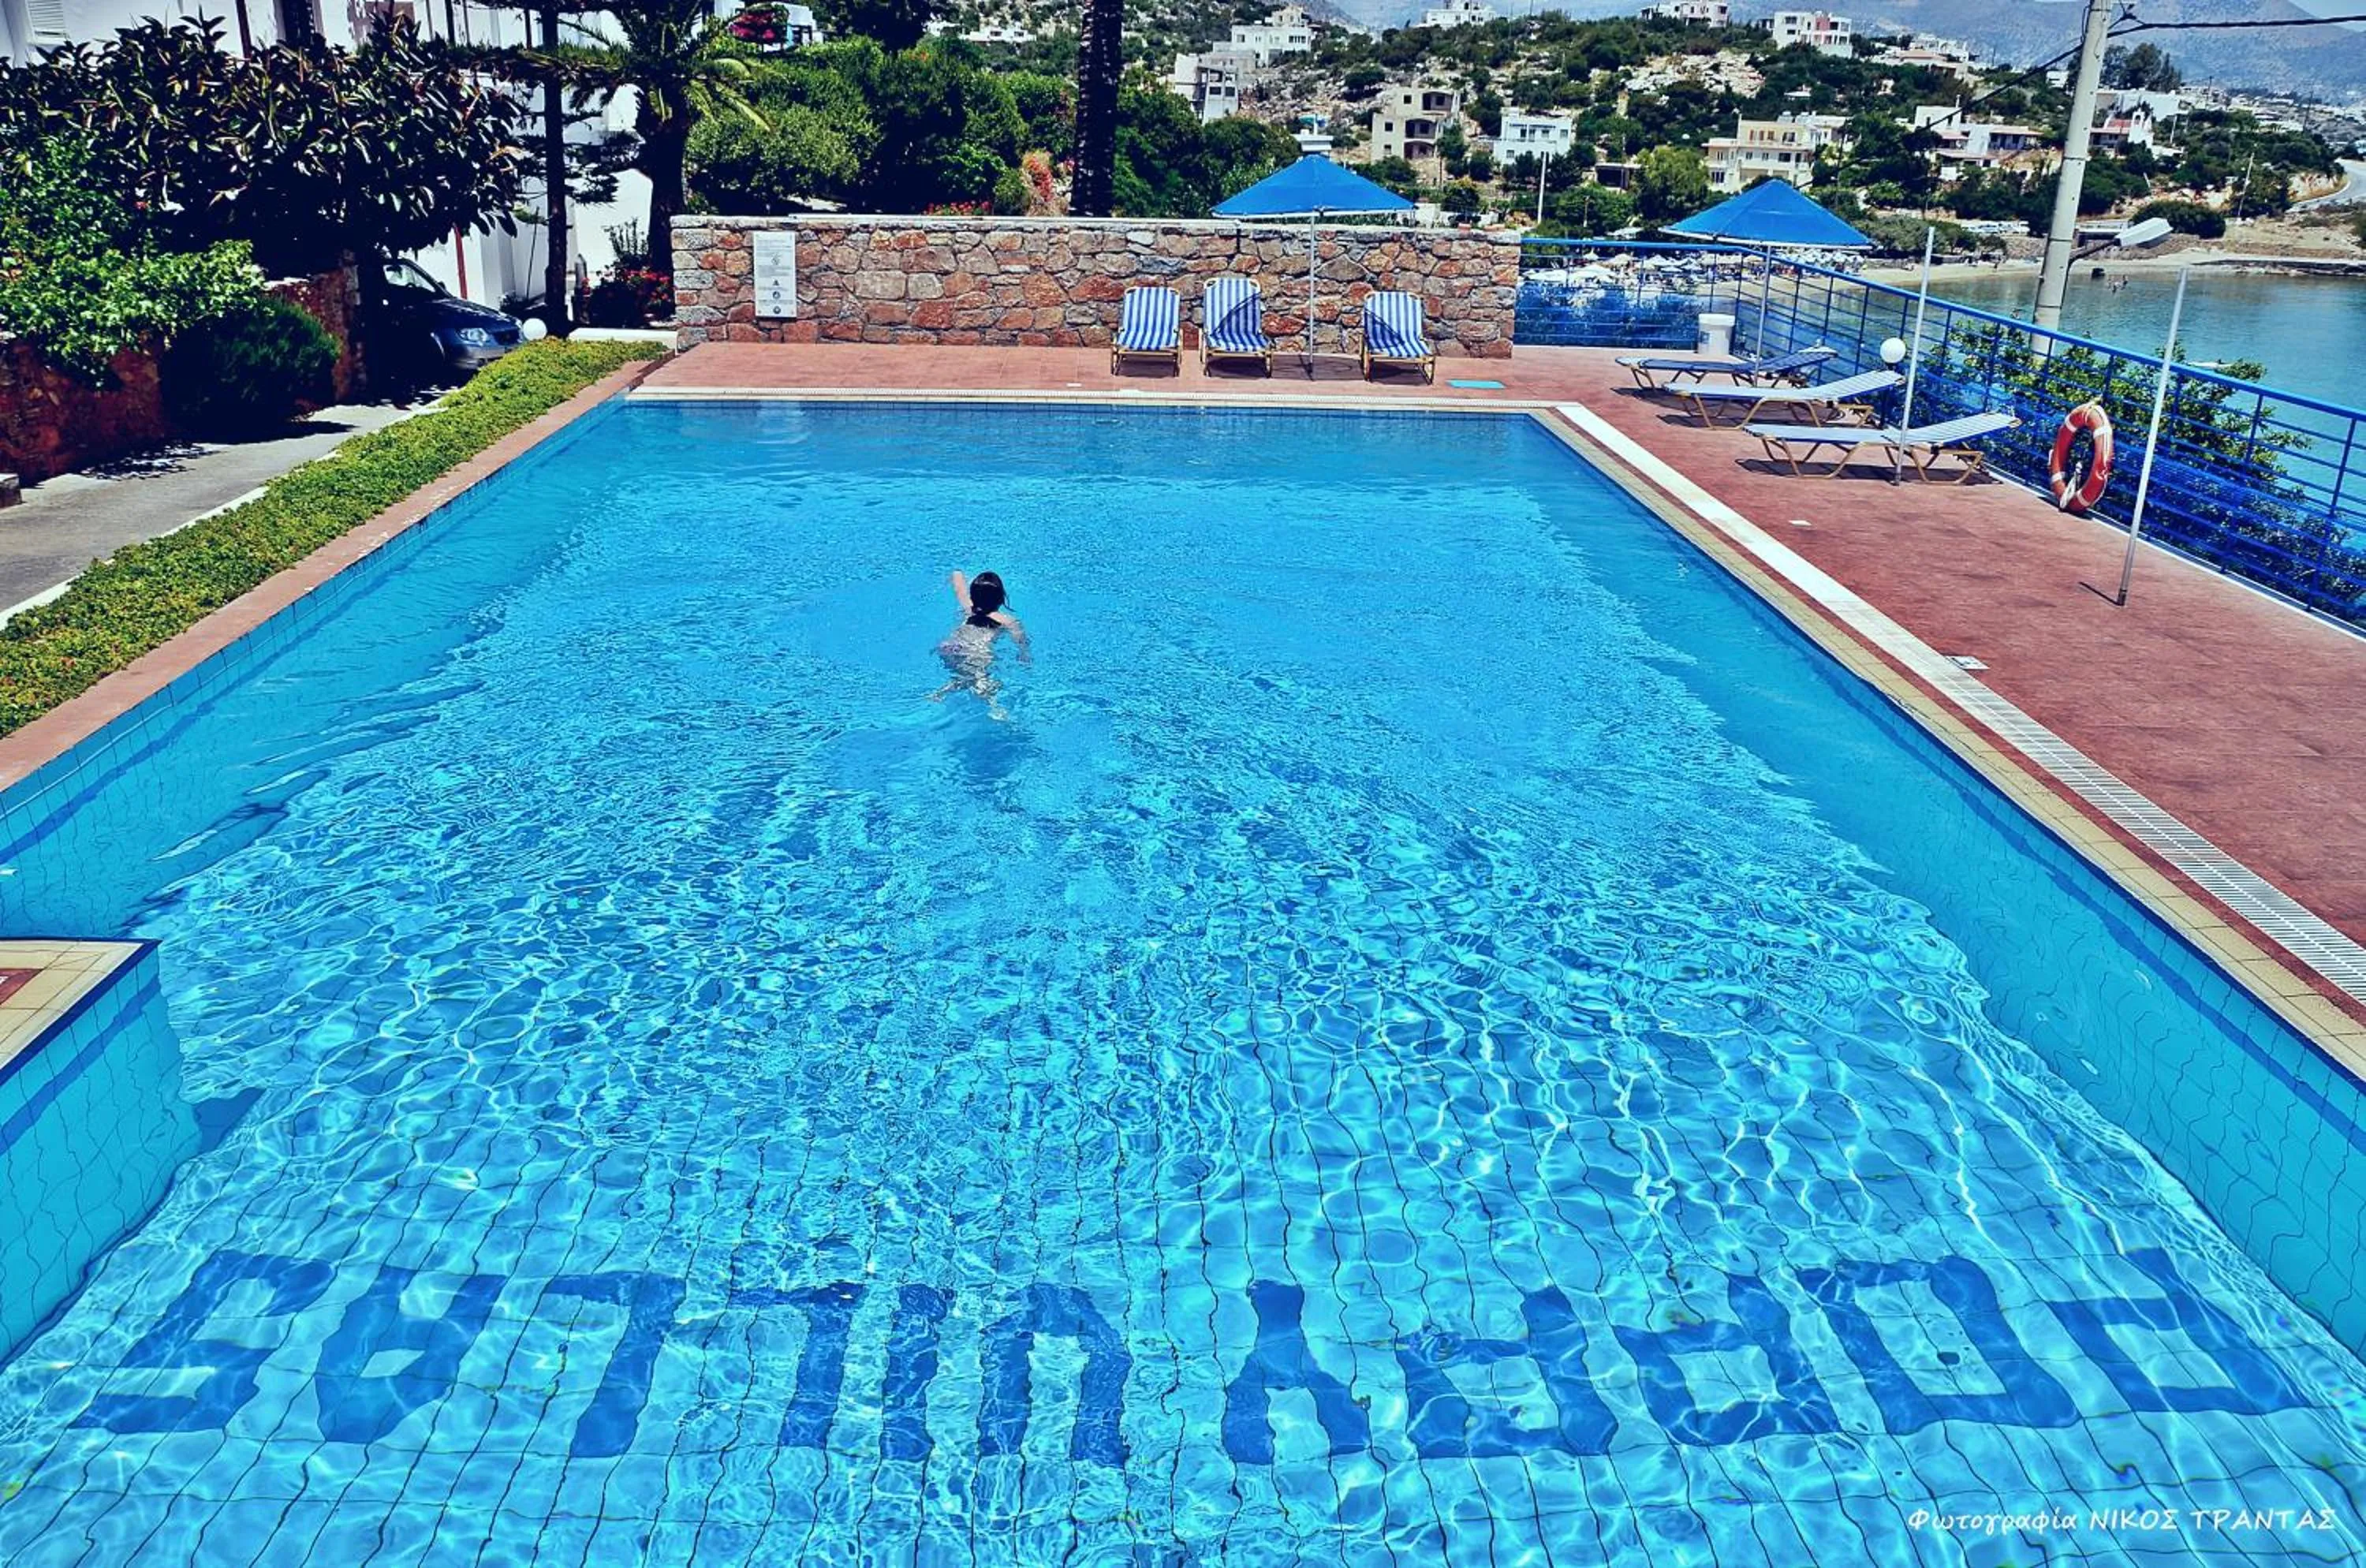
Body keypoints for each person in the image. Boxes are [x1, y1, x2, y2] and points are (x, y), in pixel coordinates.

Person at [930, 569, 1028, 718]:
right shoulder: (1008, 621)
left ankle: (942, 692)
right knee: (981, 681)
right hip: (977, 652)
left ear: (973, 595)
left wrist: (958, 576)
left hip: (951, 647)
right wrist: (1024, 654)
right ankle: (995, 707)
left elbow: (957, 579)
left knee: (962, 676)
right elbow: (1021, 642)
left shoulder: (967, 606)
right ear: (1001, 598)